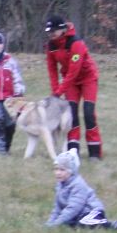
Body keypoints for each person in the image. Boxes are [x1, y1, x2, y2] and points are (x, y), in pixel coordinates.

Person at [44, 15, 103, 159]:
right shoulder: (51, 46)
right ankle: (73, 151)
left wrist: (59, 92)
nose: (51, 34)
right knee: (72, 114)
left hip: (88, 78)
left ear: (62, 29)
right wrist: (54, 91)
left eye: (54, 31)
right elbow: (52, 69)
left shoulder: (76, 43)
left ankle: (94, 151)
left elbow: (73, 71)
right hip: (71, 83)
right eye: (49, 32)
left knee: (89, 113)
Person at [45, 149, 117, 230]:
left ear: (72, 171)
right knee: (70, 225)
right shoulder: (60, 185)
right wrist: (50, 223)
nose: (58, 173)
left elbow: (73, 208)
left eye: (62, 170)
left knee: (84, 224)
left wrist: (57, 223)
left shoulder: (78, 184)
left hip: (91, 211)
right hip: (78, 215)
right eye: (56, 169)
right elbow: (57, 208)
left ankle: (113, 226)